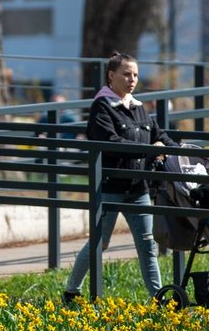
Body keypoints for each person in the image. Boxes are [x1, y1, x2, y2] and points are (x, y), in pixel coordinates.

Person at [63, 53, 175, 304]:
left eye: (135, 74)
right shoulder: (101, 107)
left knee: (148, 246)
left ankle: (158, 299)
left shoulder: (138, 106)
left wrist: (176, 149)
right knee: (98, 244)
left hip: (139, 189)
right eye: (126, 74)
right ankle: (72, 291)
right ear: (111, 76)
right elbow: (110, 142)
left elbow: (159, 134)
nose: (132, 79)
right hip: (111, 188)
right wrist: (151, 149)